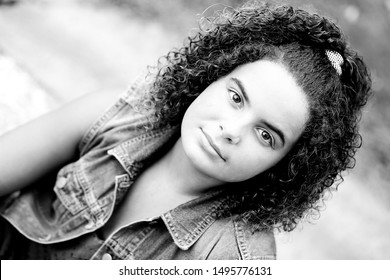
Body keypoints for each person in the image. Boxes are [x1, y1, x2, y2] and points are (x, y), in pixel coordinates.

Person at [0, 1, 372, 260]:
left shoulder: (234, 258)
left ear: (288, 165)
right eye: (236, 97)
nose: (231, 129)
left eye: (266, 135)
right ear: (213, 74)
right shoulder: (116, 115)